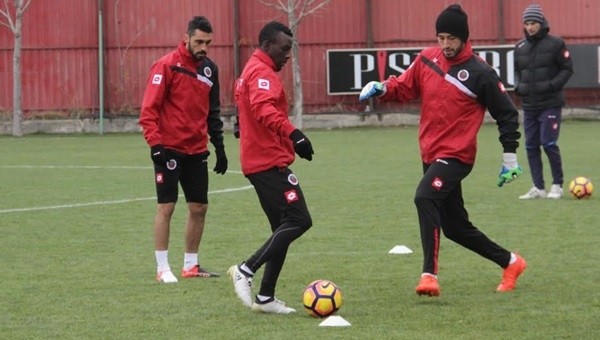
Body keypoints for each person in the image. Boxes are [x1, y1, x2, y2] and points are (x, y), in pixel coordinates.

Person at [359, 4, 527, 296]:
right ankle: (511, 262)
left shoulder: (481, 73)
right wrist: (382, 87)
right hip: (430, 153)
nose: (446, 44)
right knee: (455, 228)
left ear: (464, 38)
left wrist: (509, 156)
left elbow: (507, 114)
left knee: (424, 196)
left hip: (457, 156)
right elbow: (404, 86)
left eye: (451, 38)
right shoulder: (427, 59)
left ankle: (429, 275)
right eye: (441, 38)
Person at [227, 21, 314, 314]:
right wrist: (295, 134)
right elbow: (265, 110)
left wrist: (242, 126)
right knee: (299, 220)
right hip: (267, 162)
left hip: (260, 159)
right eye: (284, 48)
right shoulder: (261, 72)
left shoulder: (249, 71)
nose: (288, 55)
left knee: (282, 228)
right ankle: (246, 269)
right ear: (267, 46)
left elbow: (243, 106)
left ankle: (265, 297)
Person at [139, 16, 228, 283]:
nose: (204, 47)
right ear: (186, 38)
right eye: (199, 41)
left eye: (208, 42)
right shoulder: (166, 66)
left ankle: (191, 266)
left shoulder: (210, 70)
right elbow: (148, 110)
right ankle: (162, 268)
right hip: (168, 150)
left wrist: (220, 147)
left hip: (197, 150)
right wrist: (155, 145)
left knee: (199, 207)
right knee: (166, 207)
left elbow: (213, 113)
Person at [514, 4, 574, 200]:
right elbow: (518, 72)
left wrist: (551, 85)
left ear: (541, 23)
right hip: (529, 105)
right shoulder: (520, 47)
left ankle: (557, 185)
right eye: (527, 23)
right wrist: (518, 86)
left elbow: (567, 69)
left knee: (548, 143)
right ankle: (538, 188)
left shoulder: (556, 44)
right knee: (531, 146)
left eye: (534, 23)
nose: (530, 27)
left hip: (550, 103)